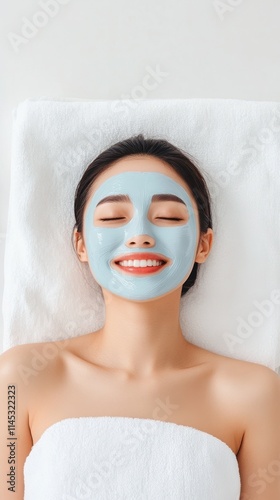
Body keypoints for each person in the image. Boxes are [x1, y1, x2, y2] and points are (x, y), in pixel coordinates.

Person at [0, 134, 280, 499]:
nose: (140, 235)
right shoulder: (21, 378)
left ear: (202, 244)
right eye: (114, 217)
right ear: (81, 244)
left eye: (167, 217)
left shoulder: (253, 393)